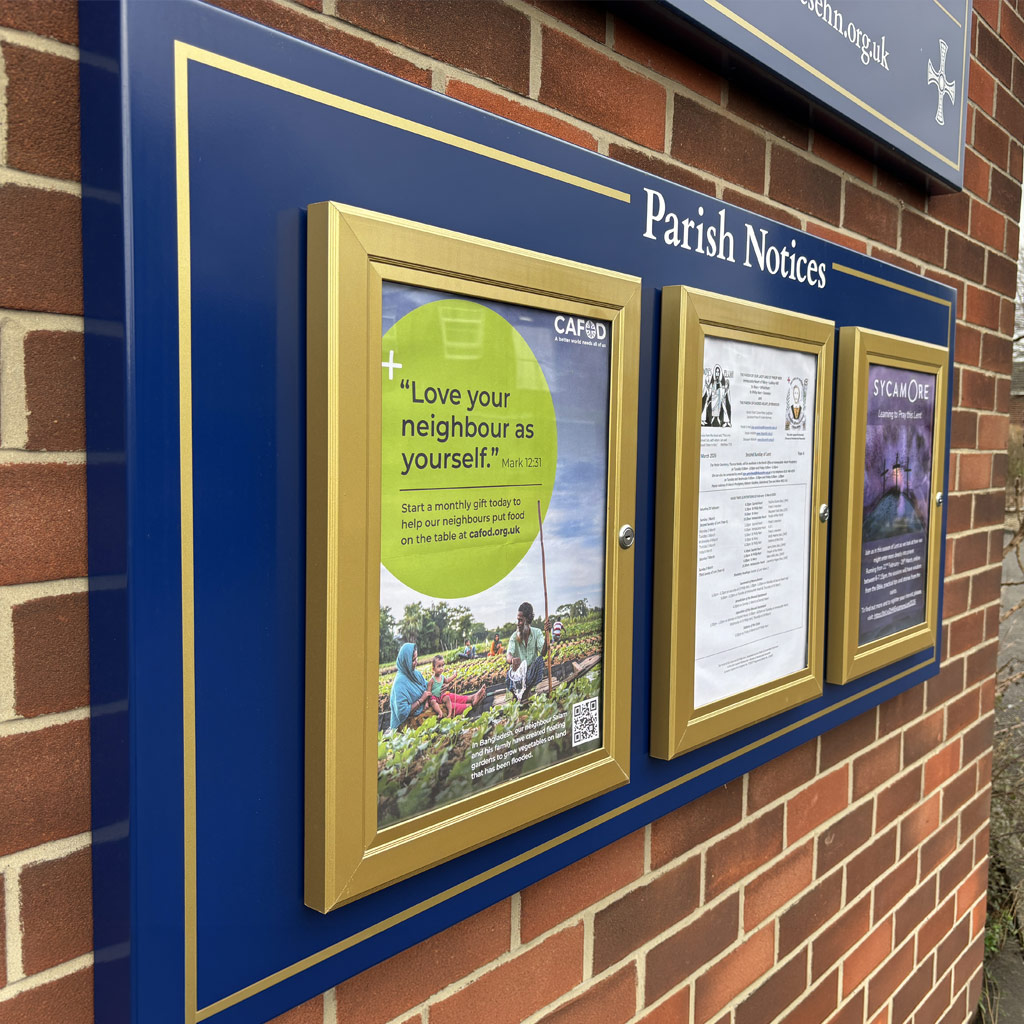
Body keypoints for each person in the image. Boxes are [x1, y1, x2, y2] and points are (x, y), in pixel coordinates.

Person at [506, 602, 548, 702]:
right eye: (518, 620)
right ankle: (517, 694)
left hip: (531, 672)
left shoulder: (537, 633)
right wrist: (512, 660)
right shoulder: (514, 636)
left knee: (539, 660)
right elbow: (508, 655)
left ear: (527, 620)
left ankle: (527, 690)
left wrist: (547, 636)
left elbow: (543, 653)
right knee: (509, 675)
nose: (518, 623)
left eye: (520, 620)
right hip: (519, 673)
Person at [388, 643, 431, 731]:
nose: (416, 662)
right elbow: (402, 714)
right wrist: (421, 700)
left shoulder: (415, 674)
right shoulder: (399, 683)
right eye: (413, 660)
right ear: (405, 661)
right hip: (404, 725)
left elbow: (426, 685)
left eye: (416, 658)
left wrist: (439, 684)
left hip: (420, 711)